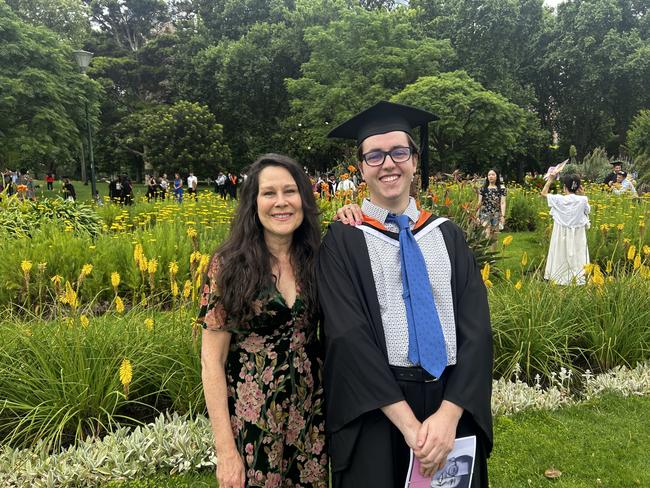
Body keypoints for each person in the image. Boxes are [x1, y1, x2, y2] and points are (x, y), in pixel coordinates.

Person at [320, 101, 493, 488]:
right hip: (378, 411)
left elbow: (476, 330)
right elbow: (348, 338)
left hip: (451, 401)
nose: (388, 164)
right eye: (375, 155)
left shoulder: (448, 235)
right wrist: (411, 428)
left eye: (399, 152)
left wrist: (448, 417)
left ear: (415, 160)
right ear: (362, 167)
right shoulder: (343, 242)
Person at [198, 154, 328, 488]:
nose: (281, 202)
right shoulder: (228, 266)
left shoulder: (316, 257)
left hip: (309, 416)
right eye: (269, 193)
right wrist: (226, 450)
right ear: (253, 202)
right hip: (252, 420)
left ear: (303, 198)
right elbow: (212, 360)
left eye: (290, 191)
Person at [540, 172, 590, 285]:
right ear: (578, 187)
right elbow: (587, 211)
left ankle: (558, 278)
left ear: (564, 187)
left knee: (560, 255)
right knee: (578, 255)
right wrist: (582, 194)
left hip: (560, 234)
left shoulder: (558, 199)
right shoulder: (583, 200)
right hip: (577, 235)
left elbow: (543, 193)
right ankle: (578, 278)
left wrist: (550, 180)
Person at [477, 169, 507, 239]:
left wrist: (503, 216)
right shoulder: (483, 189)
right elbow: (479, 203)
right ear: (487, 177)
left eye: (493, 175)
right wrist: (477, 216)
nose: (491, 176)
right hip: (485, 213)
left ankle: (493, 250)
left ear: (497, 176)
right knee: (486, 234)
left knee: (494, 237)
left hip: (496, 214)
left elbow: (502, 203)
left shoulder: (502, 189)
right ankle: (486, 249)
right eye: (489, 175)